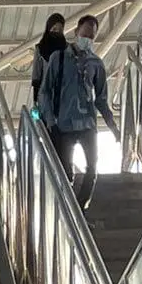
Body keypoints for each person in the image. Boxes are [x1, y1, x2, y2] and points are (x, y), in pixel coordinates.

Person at [36, 12, 116, 209]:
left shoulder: (96, 63)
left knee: (92, 170)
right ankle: (69, 209)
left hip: (88, 123)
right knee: (66, 173)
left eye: (91, 36)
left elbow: (102, 99)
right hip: (64, 124)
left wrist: (112, 126)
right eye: (85, 34)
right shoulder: (59, 58)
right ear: (76, 31)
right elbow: (45, 91)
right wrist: (50, 121)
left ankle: (79, 209)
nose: (87, 39)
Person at [30, 14, 65, 106]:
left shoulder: (68, 49)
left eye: (60, 29)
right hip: (45, 94)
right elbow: (36, 75)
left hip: (64, 95)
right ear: (48, 29)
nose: (57, 32)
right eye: (54, 29)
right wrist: (35, 101)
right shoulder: (40, 49)